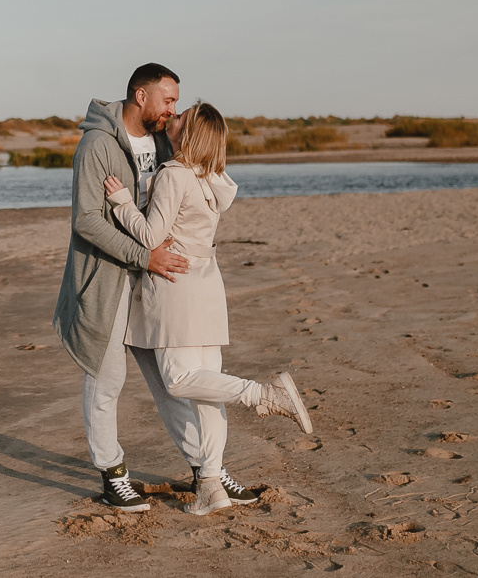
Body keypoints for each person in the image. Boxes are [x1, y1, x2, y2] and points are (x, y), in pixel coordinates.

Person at [54, 63, 255, 513]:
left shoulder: (165, 139)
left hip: (156, 285)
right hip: (108, 279)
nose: (172, 110)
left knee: (171, 385)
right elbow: (86, 220)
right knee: (107, 380)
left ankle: (208, 470)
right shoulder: (96, 145)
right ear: (140, 96)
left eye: (177, 103)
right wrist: (145, 255)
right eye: (167, 100)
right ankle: (113, 474)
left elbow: (192, 179)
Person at [103, 101, 313, 516]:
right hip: (208, 286)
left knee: (180, 382)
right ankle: (211, 488)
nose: (172, 118)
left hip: (177, 288)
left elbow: (150, 235)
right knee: (207, 397)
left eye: (181, 118)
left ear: (190, 134)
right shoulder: (213, 178)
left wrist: (123, 202)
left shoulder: (174, 175)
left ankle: (262, 394)